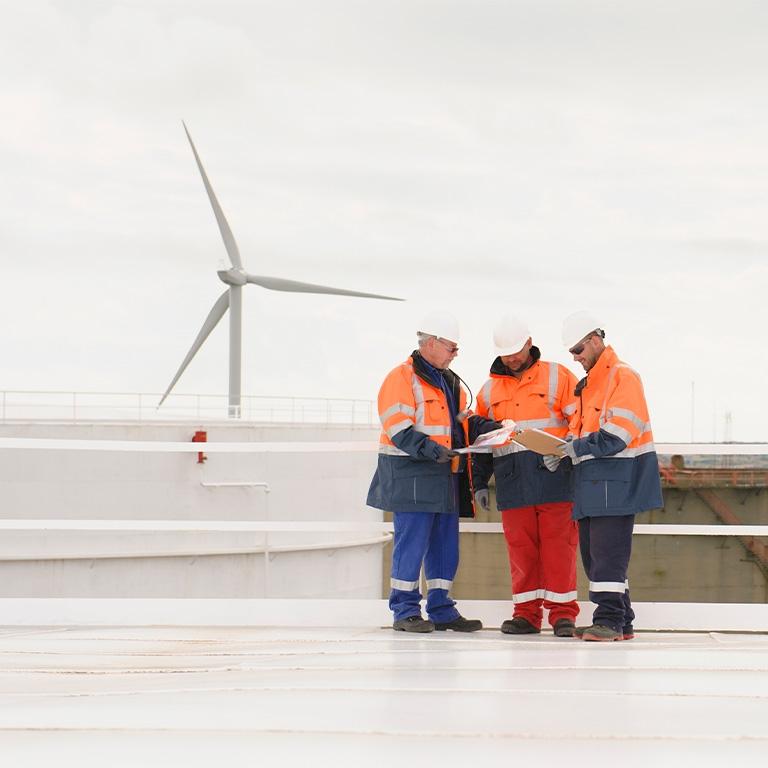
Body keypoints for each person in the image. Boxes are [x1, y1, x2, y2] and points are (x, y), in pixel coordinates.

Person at [366, 310, 500, 633]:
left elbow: (461, 422)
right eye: (452, 348)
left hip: (445, 475)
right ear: (431, 343)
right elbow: (399, 428)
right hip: (413, 475)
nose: (455, 355)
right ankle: (405, 610)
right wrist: (432, 449)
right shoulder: (401, 378)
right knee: (411, 544)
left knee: (444, 546)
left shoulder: (450, 382)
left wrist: (491, 429)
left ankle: (441, 608)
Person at [546, 311, 663, 642]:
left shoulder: (623, 377)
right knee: (595, 556)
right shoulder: (589, 386)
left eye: (578, 351)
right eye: (571, 353)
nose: (576, 358)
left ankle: (608, 620)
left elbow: (617, 435)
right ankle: (621, 620)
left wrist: (574, 448)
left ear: (595, 340)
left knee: (607, 556)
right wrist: (561, 451)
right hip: (592, 485)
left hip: (617, 482)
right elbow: (580, 432)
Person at [473, 314, 580, 637]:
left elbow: (579, 421)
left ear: (529, 344)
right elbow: (479, 437)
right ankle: (526, 615)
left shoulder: (558, 377)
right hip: (512, 482)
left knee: (559, 549)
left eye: (517, 350)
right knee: (521, 552)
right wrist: (479, 481)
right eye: (506, 352)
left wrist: (566, 453)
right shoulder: (489, 390)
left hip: (555, 478)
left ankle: (562, 615)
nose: (512, 357)